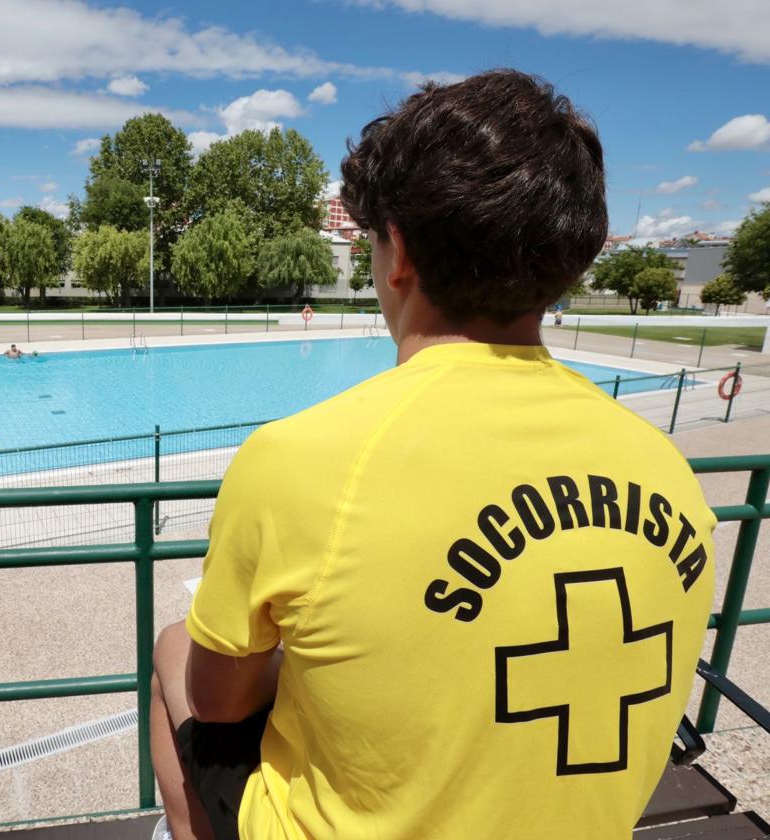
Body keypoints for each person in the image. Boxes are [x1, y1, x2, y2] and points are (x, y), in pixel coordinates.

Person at [150, 70, 715, 840]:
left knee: (174, 645)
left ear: (401, 252)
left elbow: (217, 703)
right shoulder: (666, 468)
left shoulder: (297, 460)